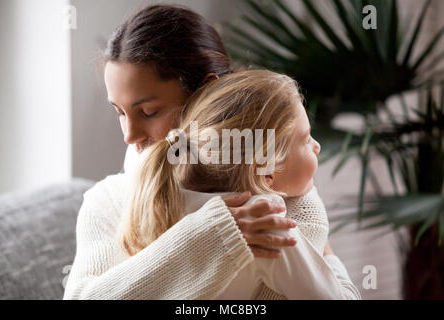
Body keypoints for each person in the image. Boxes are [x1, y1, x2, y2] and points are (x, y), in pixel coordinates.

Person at [63, 4, 354, 300]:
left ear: (206, 92)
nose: (129, 136)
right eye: (120, 113)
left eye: (149, 112)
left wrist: (317, 237)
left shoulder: (284, 189)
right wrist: (211, 237)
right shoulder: (108, 201)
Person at [121, 69, 360, 299]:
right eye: (306, 139)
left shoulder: (163, 195)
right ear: (266, 169)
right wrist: (328, 255)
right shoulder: (264, 220)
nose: (316, 146)